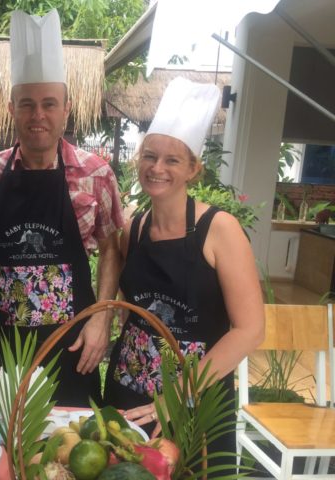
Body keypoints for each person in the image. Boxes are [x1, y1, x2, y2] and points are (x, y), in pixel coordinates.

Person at [0, 9, 124, 407]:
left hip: (73, 343)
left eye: (49, 103)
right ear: (11, 108)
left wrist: (102, 319)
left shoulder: (96, 175)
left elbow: (112, 250)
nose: (38, 115)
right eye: (27, 104)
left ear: (66, 107)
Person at [103, 77, 265, 459]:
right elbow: (134, 306)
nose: (157, 168)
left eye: (172, 160)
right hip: (129, 387)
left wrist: (177, 393)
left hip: (197, 397)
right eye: (149, 156)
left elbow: (250, 330)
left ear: (193, 169)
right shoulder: (135, 227)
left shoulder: (219, 229)